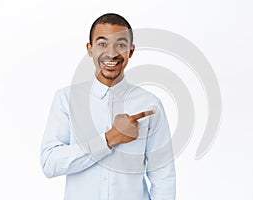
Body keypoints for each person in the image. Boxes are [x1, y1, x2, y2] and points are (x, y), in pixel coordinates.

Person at [40, 13, 176, 200]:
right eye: (102, 44)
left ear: (131, 51)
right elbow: (50, 163)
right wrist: (108, 139)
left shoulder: (149, 104)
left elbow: (163, 177)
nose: (111, 53)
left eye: (120, 45)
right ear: (90, 49)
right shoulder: (66, 99)